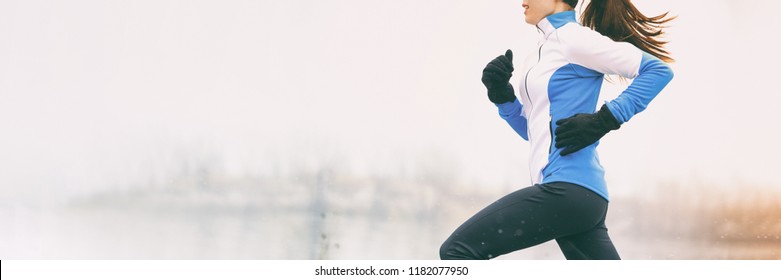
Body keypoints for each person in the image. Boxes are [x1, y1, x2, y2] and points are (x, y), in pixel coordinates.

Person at [439, 0, 674, 260]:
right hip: (581, 198)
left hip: (567, 190)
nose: (523, 1)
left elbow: (658, 71)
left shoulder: (575, 40)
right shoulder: (540, 52)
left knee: (457, 251)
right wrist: (502, 96)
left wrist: (605, 119)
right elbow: (536, 132)